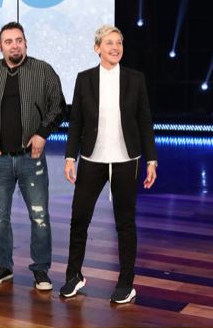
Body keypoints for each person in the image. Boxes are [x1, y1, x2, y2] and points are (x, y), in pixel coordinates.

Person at [61, 24, 157, 304]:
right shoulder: (84, 79)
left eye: (119, 43)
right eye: (109, 43)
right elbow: (76, 121)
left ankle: (126, 283)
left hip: (127, 160)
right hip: (92, 159)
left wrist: (151, 159)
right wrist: (70, 156)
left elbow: (145, 121)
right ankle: (73, 275)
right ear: (97, 48)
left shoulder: (135, 79)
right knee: (79, 218)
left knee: (125, 223)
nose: (115, 48)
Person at [0, 21, 66, 290]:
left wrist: (42, 134)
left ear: (25, 43)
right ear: (0, 46)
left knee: (39, 217)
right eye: (9, 41)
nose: (15, 45)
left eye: (19, 40)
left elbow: (58, 106)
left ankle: (41, 269)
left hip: (30, 159)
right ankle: (3, 266)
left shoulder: (43, 70)